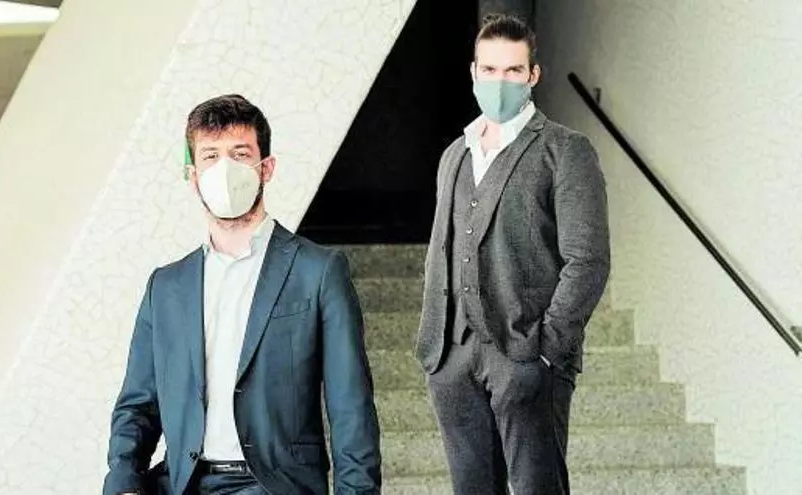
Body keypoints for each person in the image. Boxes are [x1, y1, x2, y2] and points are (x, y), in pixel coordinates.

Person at [104, 94, 382, 495]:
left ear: (266, 168)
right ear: (192, 175)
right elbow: (138, 405)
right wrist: (124, 482)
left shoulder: (318, 271)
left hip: (274, 485)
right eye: (210, 156)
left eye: (240, 154)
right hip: (182, 484)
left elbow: (350, 404)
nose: (225, 169)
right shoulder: (166, 287)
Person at [415, 13, 610, 495]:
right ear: (473, 72)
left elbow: (588, 260)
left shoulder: (566, 151)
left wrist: (547, 348)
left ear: (533, 75)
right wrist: (436, 350)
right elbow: (443, 250)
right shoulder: (454, 154)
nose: (499, 82)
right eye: (489, 70)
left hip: (528, 355)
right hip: (453, 357)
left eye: (513, 70)